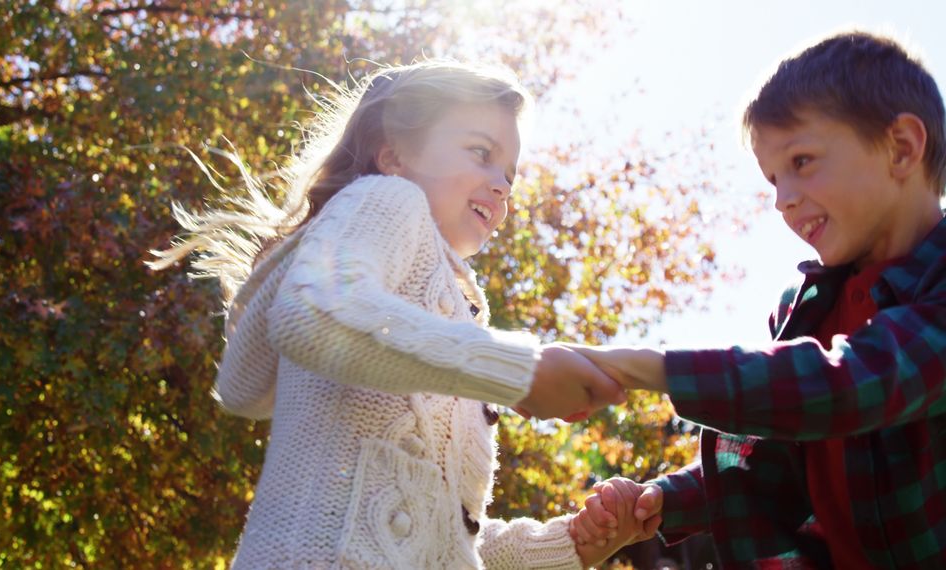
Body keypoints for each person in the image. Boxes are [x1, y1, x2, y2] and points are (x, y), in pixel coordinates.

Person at [151, 60, 628, 569]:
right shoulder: (388, 198)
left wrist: (572, 544)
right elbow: (313, 315)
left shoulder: (453, 320)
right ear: (393, 155)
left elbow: (429, 533)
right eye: (482, 153)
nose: (502, 185)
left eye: (508, 175)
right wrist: (518, 371)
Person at [567, 31, 946, 569]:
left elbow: (854, 383)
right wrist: (661, 502)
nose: (782, 200)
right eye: (772, 178)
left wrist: (638, 368)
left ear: (902, 147)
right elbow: (772, 453)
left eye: (802, 160)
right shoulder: (805, 308)